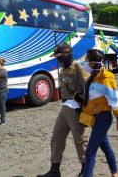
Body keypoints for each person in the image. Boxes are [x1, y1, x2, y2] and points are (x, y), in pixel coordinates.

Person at [37, 43, 89, 177]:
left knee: (79, 139)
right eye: (56, 57)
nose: (58, 60)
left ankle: (86, 168)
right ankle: (55, 170)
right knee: (57, 137)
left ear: (68, 55)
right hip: (65, 107)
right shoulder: (63, 70)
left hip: (76, 108)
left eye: (60, 57)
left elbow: (89, 90)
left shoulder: (78, 68)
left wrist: (86, 112)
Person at [80, 49, 118, 177]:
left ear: (93, 63)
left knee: (89, 153)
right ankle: (115, 174)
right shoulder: (93, 77)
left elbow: (115, 101)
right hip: (94, 118)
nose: (85, 62)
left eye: (87, 60)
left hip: (103, 118)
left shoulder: (106, 78)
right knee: (106, 147)